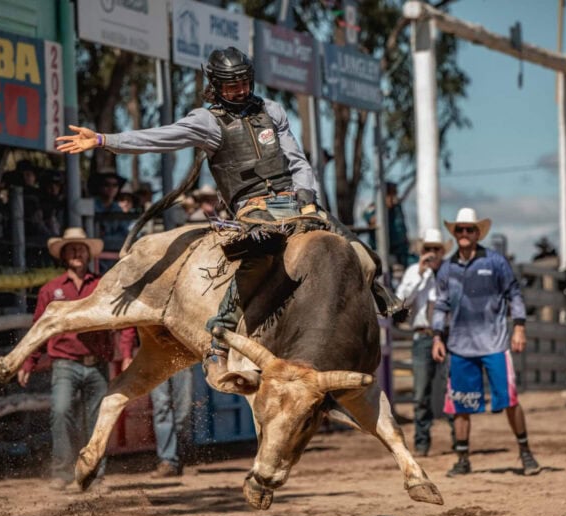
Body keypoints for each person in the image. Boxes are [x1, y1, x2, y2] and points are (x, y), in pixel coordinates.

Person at [56, 46, 402, 376]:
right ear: (216, 85)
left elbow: (297, 161)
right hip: (253, 209)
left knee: (357, 250)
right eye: (231, 85)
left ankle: (381, 295)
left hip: (296, 203)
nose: (240, 90)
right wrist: (104, 140)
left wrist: (307, 196)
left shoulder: (272, 111)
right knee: (260, 257)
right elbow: (159, 137)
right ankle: (219, 335)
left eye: (244, 82)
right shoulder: (207, 122)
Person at [431, 208, 541, 477]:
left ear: (477, 233)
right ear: (454, 233)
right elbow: (441, 304)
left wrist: (519, 328)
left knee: (509, 400)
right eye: (459, 229)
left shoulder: (495, 262)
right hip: (459, 346)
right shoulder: (447, 267)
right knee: (460, 404)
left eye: (469, 229)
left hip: (495, 344)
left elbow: (514, 293)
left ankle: (526, 452)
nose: (464, 234)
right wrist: (437, 336)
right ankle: (462, 459)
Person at [18, 227, 113, 491]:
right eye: (72, 249)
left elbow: (122, 319)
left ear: (88, 254)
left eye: (81, 249)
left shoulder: (102, 286)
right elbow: (40, 328)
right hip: (65, 363)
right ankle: (62, 471)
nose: (77, 253)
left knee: (98, 421)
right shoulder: (51, 290)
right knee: (60, 412)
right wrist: (29, 361)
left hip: (97, 362)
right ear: (64, 255)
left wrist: (126, 352)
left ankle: (94, 475)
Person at [395, 228, 452, 457]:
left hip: (448, 336)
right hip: (423, 336)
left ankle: (459, 440)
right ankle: (421, 442)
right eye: (428, 249)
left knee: (452, 389)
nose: (432, 253)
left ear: (442, 252)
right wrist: (419, 273)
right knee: (421, 394)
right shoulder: (413, 272)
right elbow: (400, 301)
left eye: (436, 249)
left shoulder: (451, 272)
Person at [120, 328, 193, 478]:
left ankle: (182, 460)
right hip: (154, 357)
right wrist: (127, 354)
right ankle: (167, 461)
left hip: (183, 354)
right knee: (161, 408)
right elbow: (132, 325)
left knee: (184, 411)